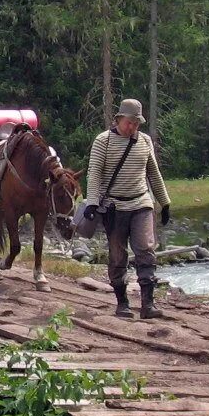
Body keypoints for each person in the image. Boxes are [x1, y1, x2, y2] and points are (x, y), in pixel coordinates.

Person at [86, 99, 171, 319]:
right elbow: (94, 173)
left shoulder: (144, 141)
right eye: (129, 122)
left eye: (136, 123)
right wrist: (92, 202)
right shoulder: (102, 142)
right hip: (114, 206)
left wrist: (165, 202)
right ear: (118, 119)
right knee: (117, 255)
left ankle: (148, 304)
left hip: (141, 202)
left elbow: (153, 172)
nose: (132, 127)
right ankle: (122, 302)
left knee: (145, 249)